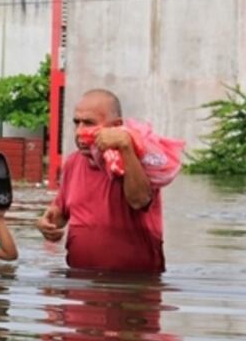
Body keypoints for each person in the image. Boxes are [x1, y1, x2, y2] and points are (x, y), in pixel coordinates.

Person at [37, 89, 166, 273]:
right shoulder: (73, 162)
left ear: (116, 126)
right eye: (77, 123)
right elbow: (61, 213)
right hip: (79, 285)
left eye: (89, 123)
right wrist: (46, 223)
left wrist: (126, 148)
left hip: (135, 288)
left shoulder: (141, 160)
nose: (80, 132)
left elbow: (139, 200)